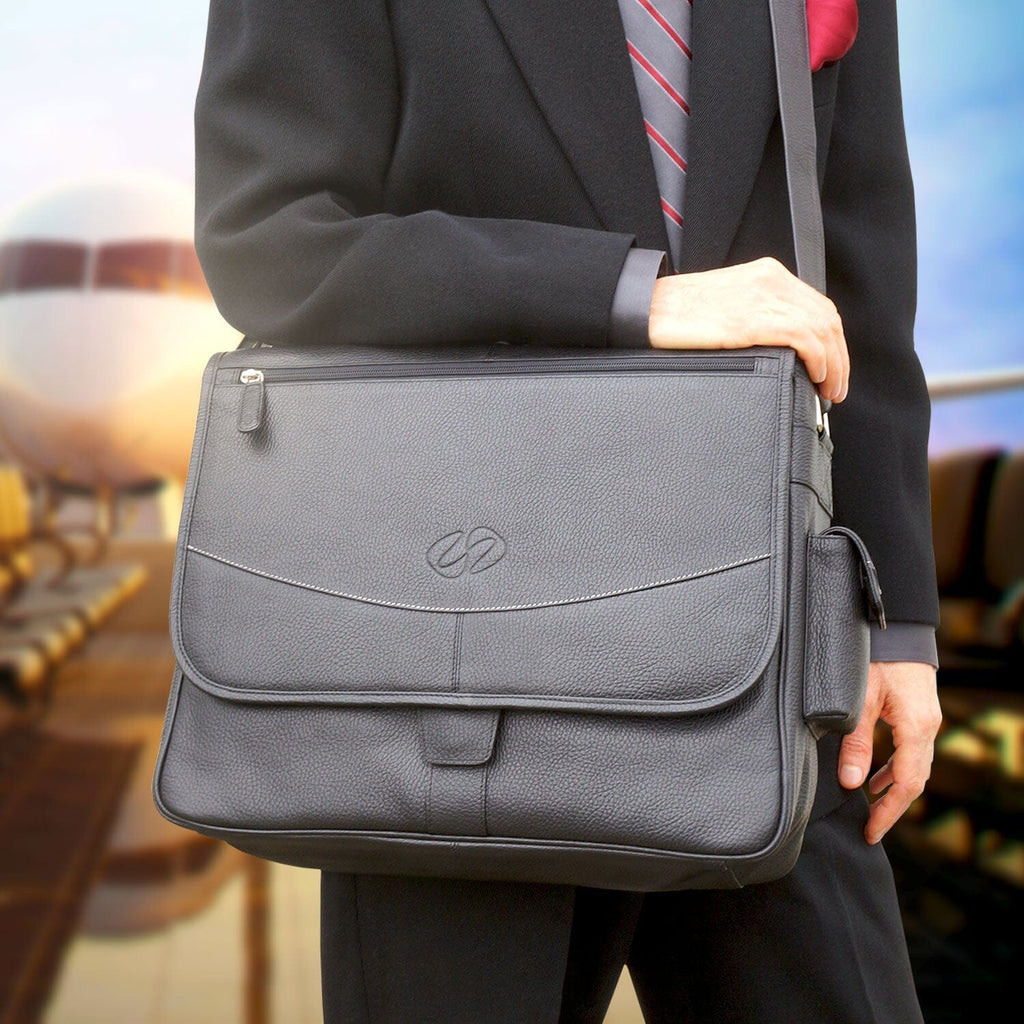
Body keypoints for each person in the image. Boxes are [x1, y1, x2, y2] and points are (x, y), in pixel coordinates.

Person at [191, 0, 942, 1020]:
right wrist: (628, 295)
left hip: (777, 646)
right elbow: (267, 241)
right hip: (454, 673)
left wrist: (897, 624)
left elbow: (860, 279)